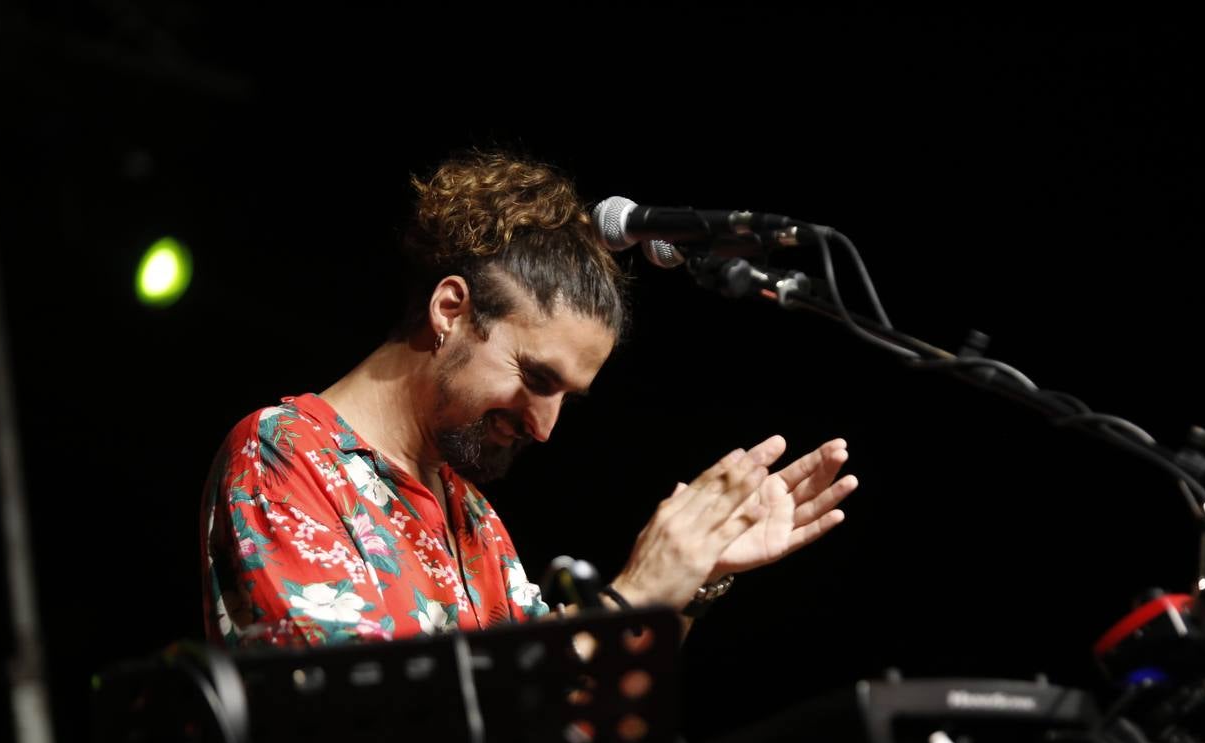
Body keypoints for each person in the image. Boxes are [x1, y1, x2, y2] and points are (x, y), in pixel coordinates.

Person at [199, 150, 857, 647]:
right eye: (537, 379)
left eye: (567, 398)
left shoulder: (473, 518)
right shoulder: (284, 456)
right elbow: (372, 736)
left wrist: (687, 581)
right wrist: (632, 596)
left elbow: (578, 742)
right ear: (450, 309)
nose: (545, 428)